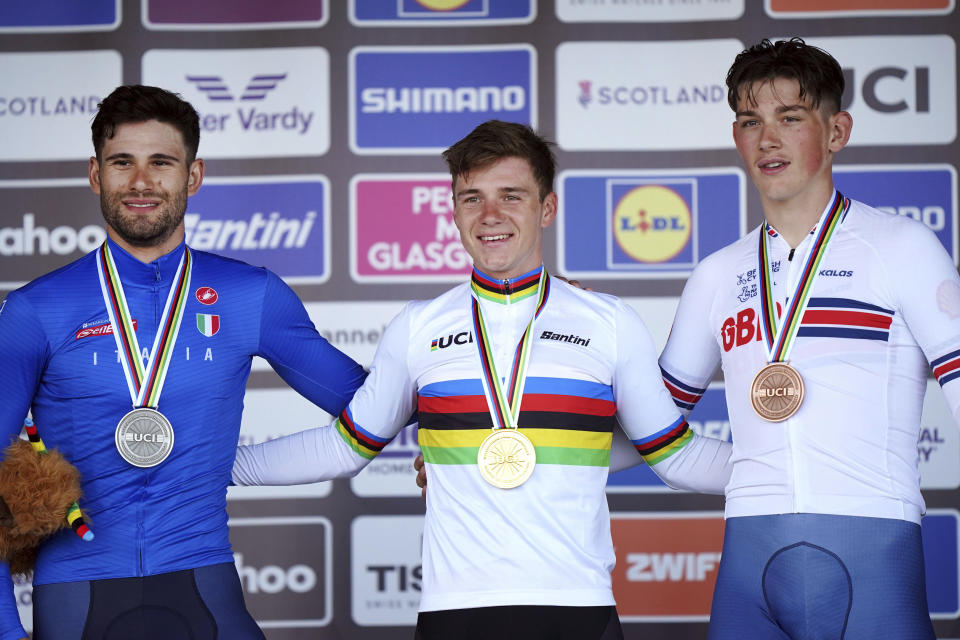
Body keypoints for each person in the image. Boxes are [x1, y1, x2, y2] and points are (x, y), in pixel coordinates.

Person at [232, 120, 732, 640]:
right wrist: (213, 466)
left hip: (579, 608)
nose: (490, 216)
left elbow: (674, 456)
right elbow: (345, 448)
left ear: (547, 208)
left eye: (511, 196)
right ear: (453, 211)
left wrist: (797, 470)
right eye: (471, 198)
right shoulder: (417, 326)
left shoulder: (608, 321)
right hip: (457, 612)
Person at [0, 85, 367, 640]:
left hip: (203, 586)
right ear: (96, 174)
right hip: (77, 595)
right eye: (122, 162)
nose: (142, 182)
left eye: (161, 163)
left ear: (192, 175)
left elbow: (372, 403)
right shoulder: (36, 309)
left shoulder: (251, 295)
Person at [657, 38, 960, 639]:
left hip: (874, 554)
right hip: (748, 563)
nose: (767, 139)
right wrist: (479, 456)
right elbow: (655, 434)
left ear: (837, 130)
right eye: (751, 121)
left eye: (790, 118)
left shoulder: (902, 248)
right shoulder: (717, 274)